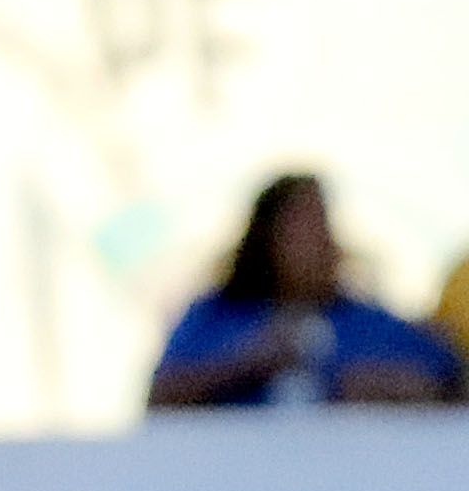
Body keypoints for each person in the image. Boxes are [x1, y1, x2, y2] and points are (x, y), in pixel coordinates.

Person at [147, 174, 460, 408]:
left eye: (324, 227)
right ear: (267, 239)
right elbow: (159, 396)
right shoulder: (217, 317)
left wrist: (394, 386)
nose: (322, 243)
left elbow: (450, 381)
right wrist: (245, 365)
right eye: (303, 230)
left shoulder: (368, 322)